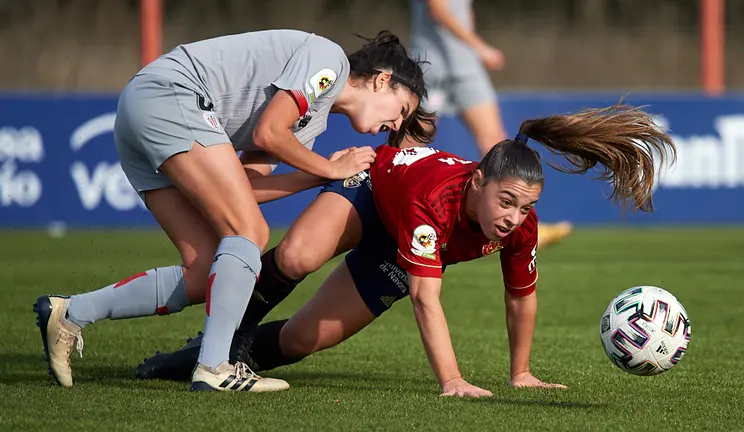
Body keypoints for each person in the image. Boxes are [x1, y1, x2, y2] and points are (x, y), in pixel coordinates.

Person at [137, 103, 676, 397]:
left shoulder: (520, 226)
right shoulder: (437, 201)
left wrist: (520, 372)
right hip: (370, 193)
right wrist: (452, 381)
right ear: (476, 182)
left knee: (304, 339)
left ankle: (193, 361)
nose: (513, 217)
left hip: (395, 248)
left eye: (524, 206)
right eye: (505, 201)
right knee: (298, 256)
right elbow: (425, 298)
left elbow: (520, 298)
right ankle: (215, 346)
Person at [32, 29, 434, 392]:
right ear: (383, 80)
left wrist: (319, 178)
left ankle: (70, 313)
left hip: (144, 114)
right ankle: (214, 366)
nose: (395, 125)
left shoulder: (311, 123)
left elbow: (243, 186)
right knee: (251, 233)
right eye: (400, 110)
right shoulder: (330, 60)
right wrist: (330, 168)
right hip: (171, 94)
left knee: (205, 269)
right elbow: (268, 133)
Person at [409, 0, 573, 249]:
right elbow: (439, 9)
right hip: (431, 63)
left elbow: (464, 11)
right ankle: (398, 212)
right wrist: (479, 46)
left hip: (466, 66)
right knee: (412, 144)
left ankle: (521, 225)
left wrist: (472, 46)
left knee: (495, 142)